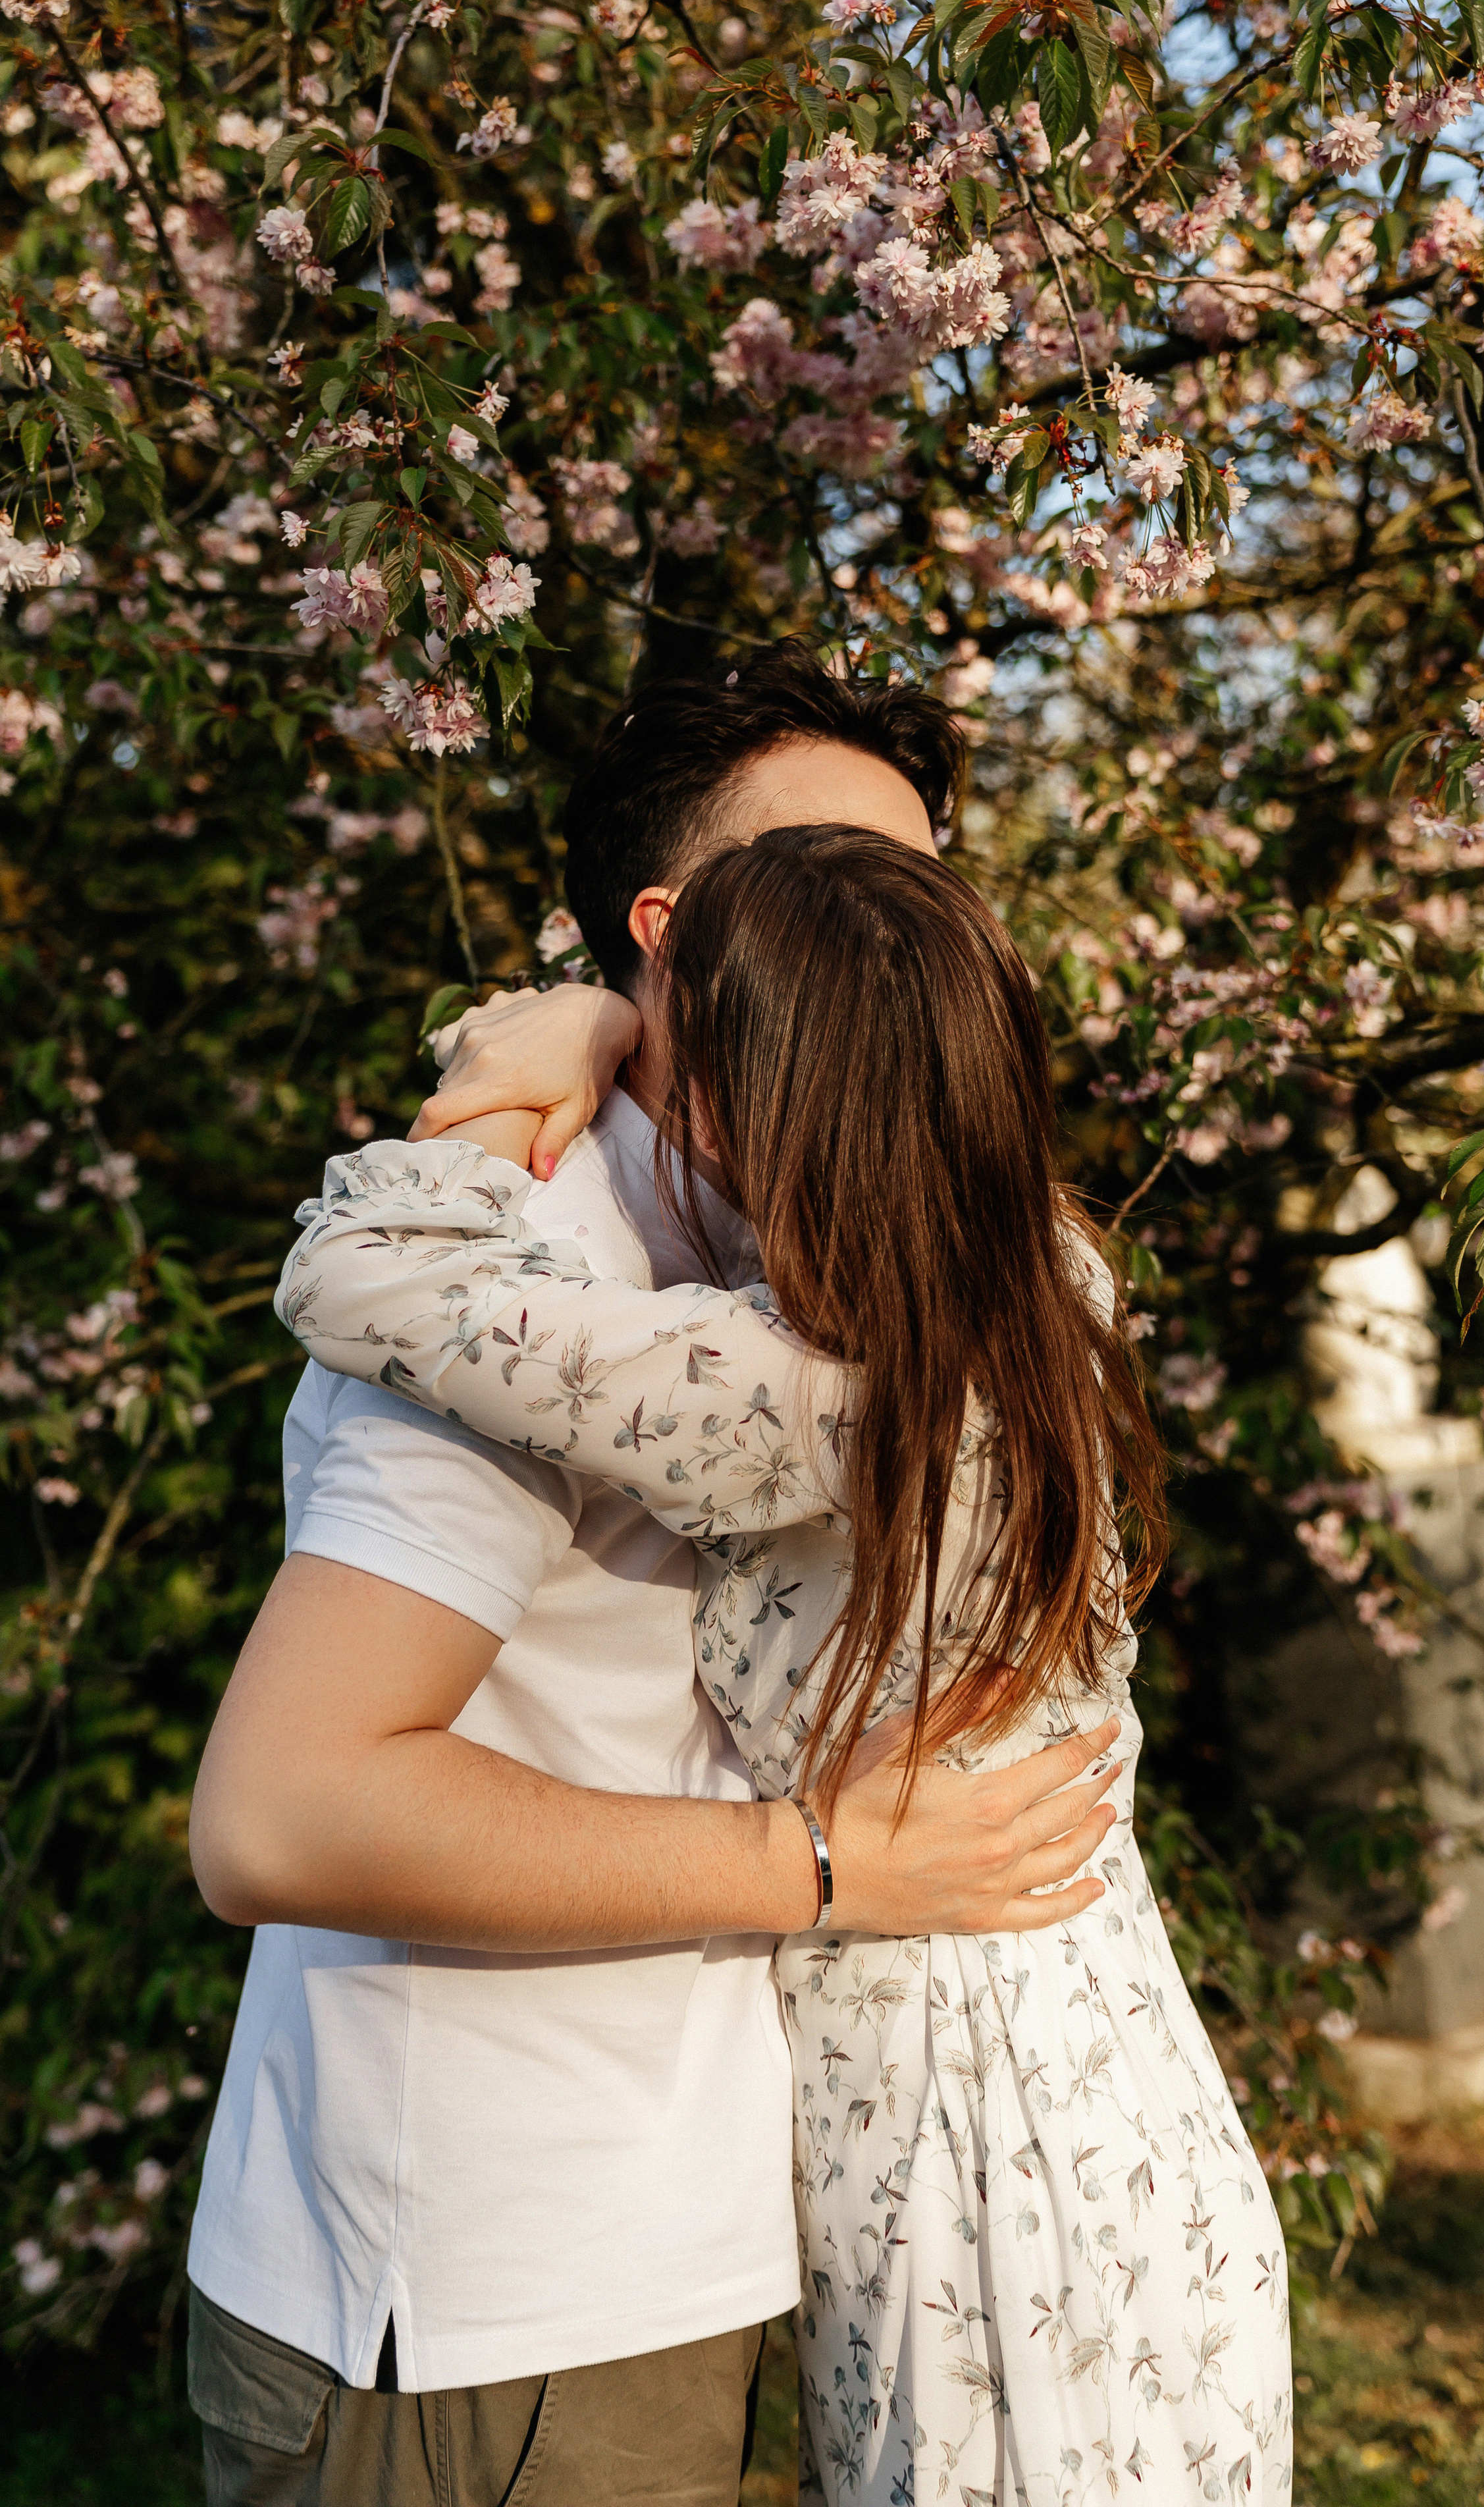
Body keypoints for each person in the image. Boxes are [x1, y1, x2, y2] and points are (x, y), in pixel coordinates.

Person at [186, 647, 1124, 2507]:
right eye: (825, 884)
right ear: (676, 936)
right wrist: (827, 1866)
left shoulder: (878, 1274)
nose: (888, 941)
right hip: (489, 2290)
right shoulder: (540, 1279)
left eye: (920, 893)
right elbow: (282, 1815)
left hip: (675, 2244)